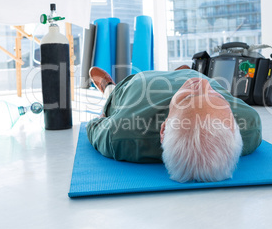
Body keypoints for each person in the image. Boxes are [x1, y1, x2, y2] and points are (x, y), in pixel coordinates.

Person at [87, 66, 262, 183]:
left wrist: (105, 115)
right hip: (190, 75)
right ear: (235, 127)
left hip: (140, 83)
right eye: (216, 99)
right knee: (192, 75)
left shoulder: (121, 135)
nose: (204, 83)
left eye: (186, 99)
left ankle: (109, 87)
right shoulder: (250, 124)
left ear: (163, 129)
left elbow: (95, 125)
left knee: (112, 99)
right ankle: (183, 72)